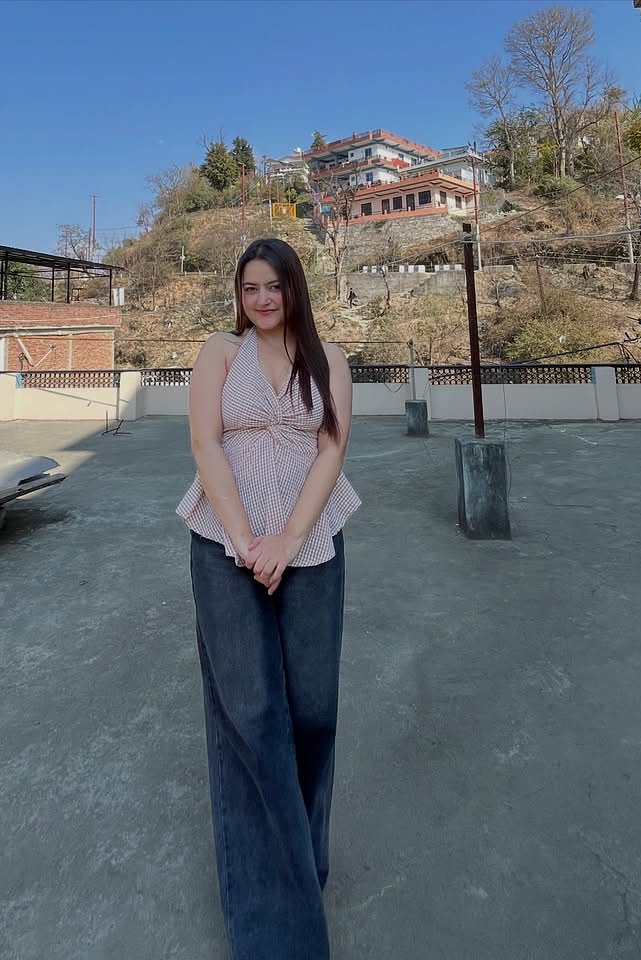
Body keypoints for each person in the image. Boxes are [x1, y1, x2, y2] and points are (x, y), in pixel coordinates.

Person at [176, 237, 360, 960]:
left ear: (294, 288)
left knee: (312, 714)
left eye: (273, 286)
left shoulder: (329, 359)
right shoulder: (220, 353)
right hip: (226, 545)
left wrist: (289, 538)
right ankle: (276, 928)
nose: (261, 299)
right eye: (249, 287)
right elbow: (205, 444)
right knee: (251, 718)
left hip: (309, 542)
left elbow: (331, 450)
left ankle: (302, 863)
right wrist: (248, 540)